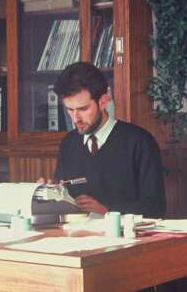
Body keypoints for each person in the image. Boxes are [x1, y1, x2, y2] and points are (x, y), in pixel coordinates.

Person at [52, 62, 165, 218]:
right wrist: (48, 193)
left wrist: (107, 210)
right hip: (78, 236)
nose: (75, 118)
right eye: (70, 110)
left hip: (127, 237)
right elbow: (62, 194)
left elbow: (156, 206)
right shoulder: (68, 143)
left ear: (103, 101)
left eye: (83, 109)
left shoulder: (140, 142)